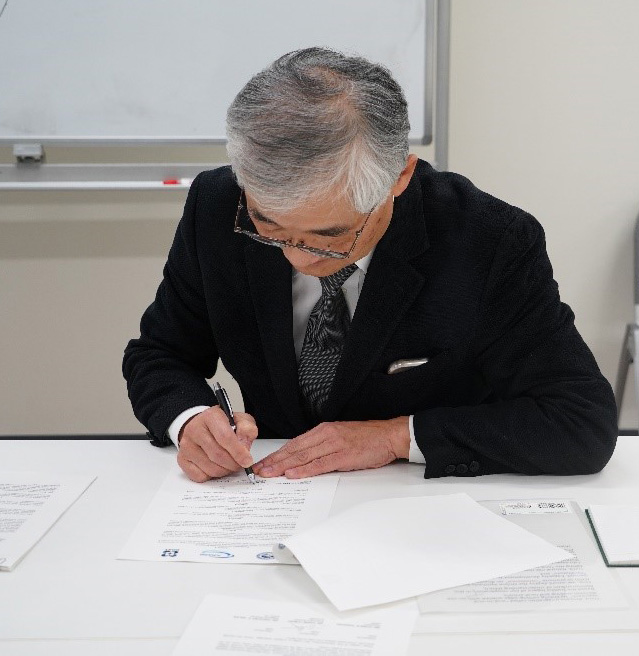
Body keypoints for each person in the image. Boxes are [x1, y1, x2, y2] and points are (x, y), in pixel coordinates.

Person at [123, 47, 617, 483]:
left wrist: (396, 437)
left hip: (424, 505)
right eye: (269, 229)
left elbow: (580, 421)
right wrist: (189, 418)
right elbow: (159, 354)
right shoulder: (216, 206)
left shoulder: (489, 240)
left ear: (399, 177)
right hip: (272, 493)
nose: (298, 258)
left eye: (331, 236)